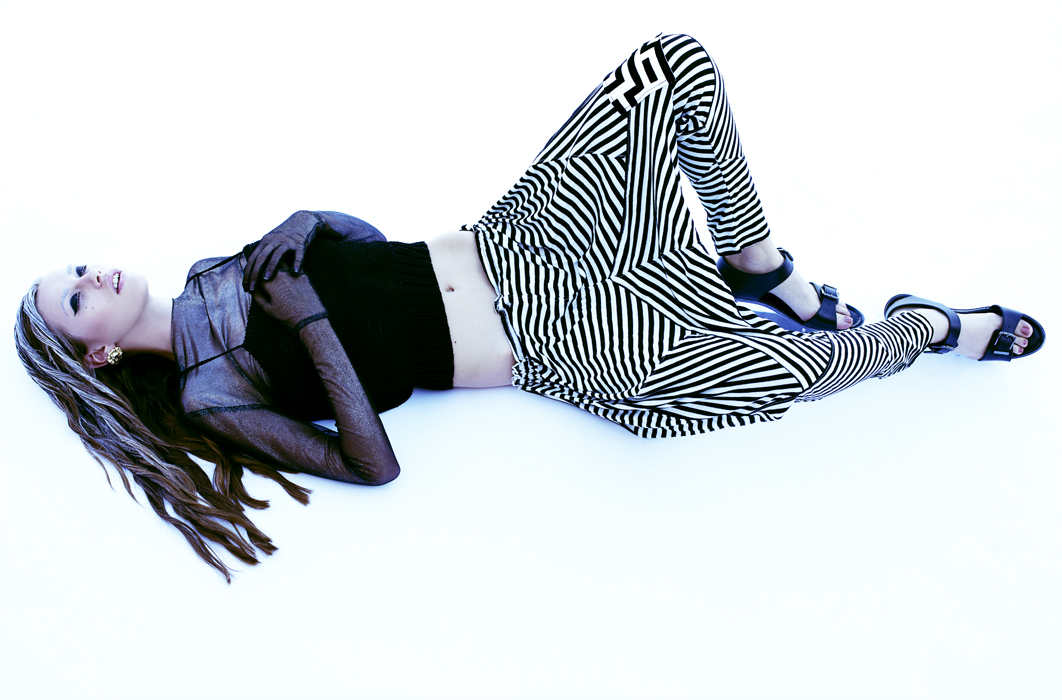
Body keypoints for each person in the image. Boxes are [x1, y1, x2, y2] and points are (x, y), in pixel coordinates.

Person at [14, 34, 1044, 581]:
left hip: (515, 236)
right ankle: (930, 327)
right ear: (96, 357)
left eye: (80, 268)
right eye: (75, 298)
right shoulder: (213, 395)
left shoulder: (211, 270)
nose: (95, 275)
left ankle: (762, 266)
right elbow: (371, 464)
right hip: (555, 339)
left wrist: (305, 215)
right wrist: (309, 324)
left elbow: (367, 246)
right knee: (792, 375)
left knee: (671, 66)